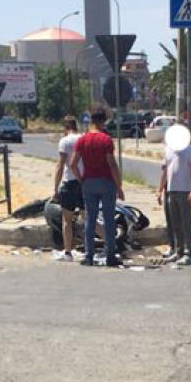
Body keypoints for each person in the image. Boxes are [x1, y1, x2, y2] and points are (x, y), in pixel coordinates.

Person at [70, 104, 125, 266]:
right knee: (109, 219)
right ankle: (110, 255)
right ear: (103, 121)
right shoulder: (106, 140)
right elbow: (112, 164)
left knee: (90, 220)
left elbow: (73, 164)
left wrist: (81, 179)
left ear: (90, 120)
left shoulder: (82, 140)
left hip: (89, 182)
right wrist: (119, 185)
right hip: (106, 182)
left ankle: (89, 256)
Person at [157, 124, 191, 265]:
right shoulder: (168, 150)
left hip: (184, 191)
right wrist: (160, 190)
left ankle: (189, 253)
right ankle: (178, 251)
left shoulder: (189, 150)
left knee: (186, 223)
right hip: (171, 191)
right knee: (175, 223)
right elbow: (165, 171)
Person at [51, 115, 82, 262]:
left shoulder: (65, 141)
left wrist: (55, 189)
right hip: (83, 182)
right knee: (89, 218)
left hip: (69, 183)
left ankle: (68, 252)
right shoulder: (83, 139)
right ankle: (110, 243)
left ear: (65, 128)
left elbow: (60, 165)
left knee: (67, 220)